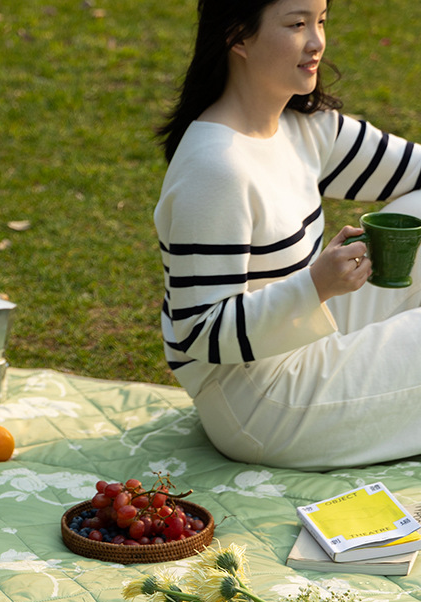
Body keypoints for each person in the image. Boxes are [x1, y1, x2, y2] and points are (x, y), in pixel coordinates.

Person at [154, 0, 421, 471]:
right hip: (258, 403)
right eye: (297, 25)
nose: (317, 42)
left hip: (306, 338)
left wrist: (316, 289)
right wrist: (315, 285)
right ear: (238, 37)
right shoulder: (217, 167)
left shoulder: (304, 127)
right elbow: (199, 332)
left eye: (320, 21)